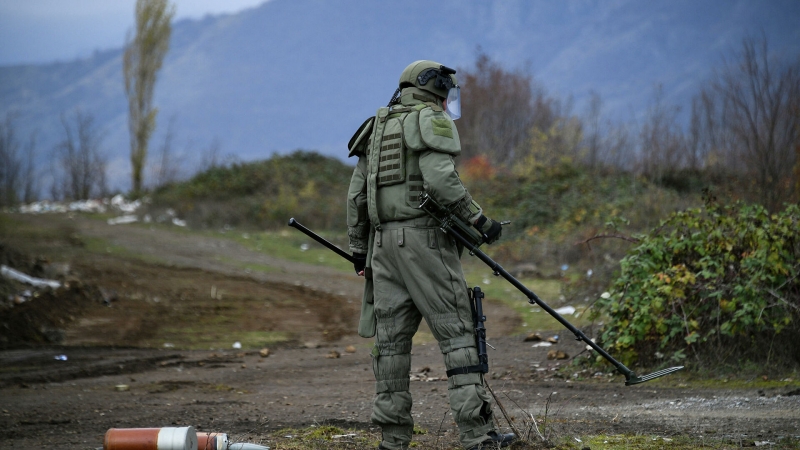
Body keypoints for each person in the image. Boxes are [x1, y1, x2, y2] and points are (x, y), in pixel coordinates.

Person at [345, 60, 515, 450]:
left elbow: (356, 197)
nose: (447, 101)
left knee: (390, 346)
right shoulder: (430, 120)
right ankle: (477, 435)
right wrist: (479, 220)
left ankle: (393, 439)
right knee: (457, 334)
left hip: (382, 248)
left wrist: (360, 251)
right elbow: (441, 179)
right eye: (446, 93)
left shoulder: (376, 127)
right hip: (424, 242)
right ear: (434, 89)